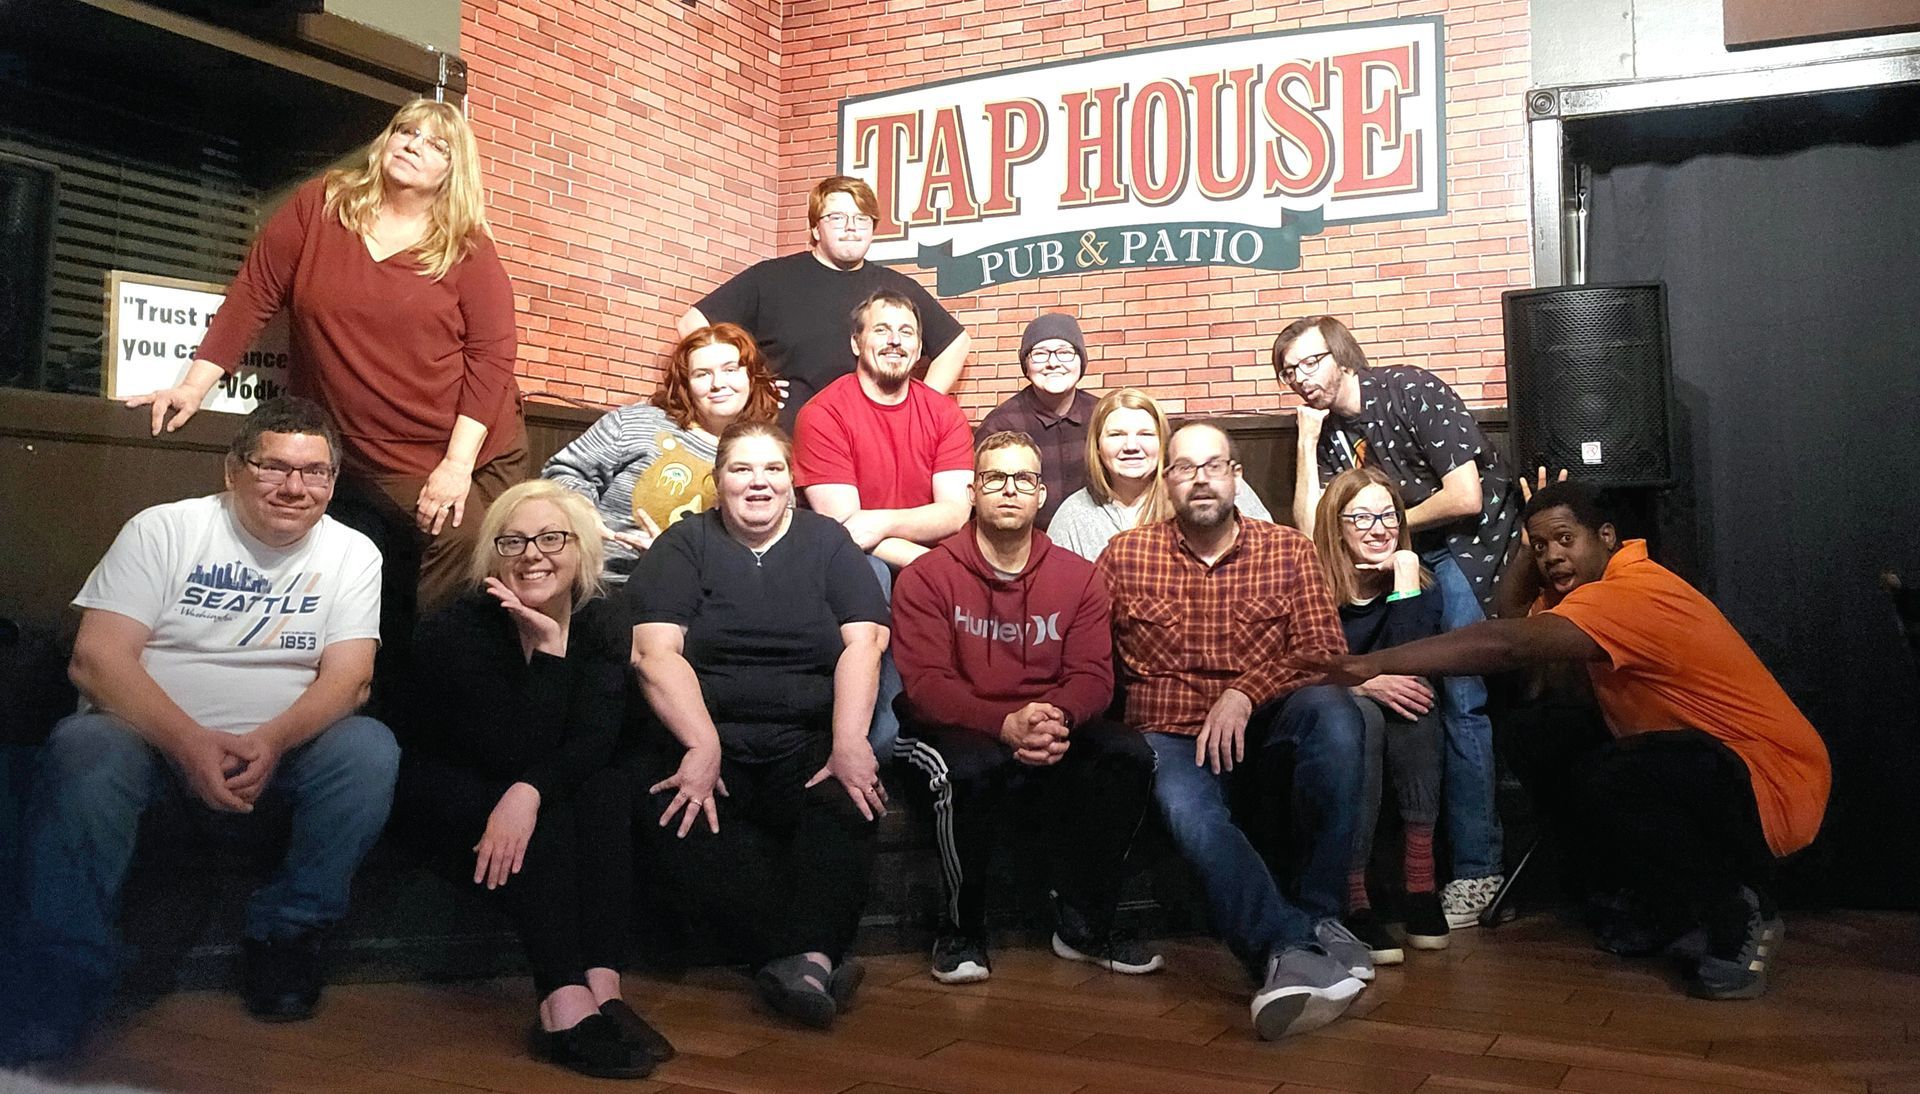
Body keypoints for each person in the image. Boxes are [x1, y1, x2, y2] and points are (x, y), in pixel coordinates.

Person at [1301, 480, 1831, 1000]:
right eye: (1539, 547)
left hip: (1772, 786)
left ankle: (1739, 910)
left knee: (1613, 773)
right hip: (1707, 766)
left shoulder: (1632, 592)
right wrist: (1536, 541)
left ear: (1606, 536)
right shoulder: (1594, 591)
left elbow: (1505, 643)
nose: (1551, 556)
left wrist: (1365, 665)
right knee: (1542, 734)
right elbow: (1511, 612)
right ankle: (1664, 902)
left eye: (1565, 540)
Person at [2, 399, 396, 1064]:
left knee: (369, 750)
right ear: (232, 470)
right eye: (274, 466)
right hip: (148, 754)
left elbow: (351, 679)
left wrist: (270, 740)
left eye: (316, 473)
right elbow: (96, 658)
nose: (295, 487)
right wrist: (188, 744)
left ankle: (286, 939)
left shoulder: (353, 552)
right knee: (85, 745)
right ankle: (62, 971)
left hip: (281, 759)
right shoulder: (164, 531)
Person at [138, 99, 526, 695]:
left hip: (457, 441)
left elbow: (493, 356)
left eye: (436, 143)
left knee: (460, 546)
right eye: (405, 130)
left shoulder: (465, 245)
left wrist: (456, 465)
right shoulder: (324, 205)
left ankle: (419, 706)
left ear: (454, 170)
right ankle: (351, 695)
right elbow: (254, 293)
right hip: (355, 441)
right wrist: (194, 383)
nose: (413, 143)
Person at [1096, 422, 1369, 1041]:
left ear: (1236, 477)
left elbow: (1324, 651)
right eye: (1185, 467)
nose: (1200, 479)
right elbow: (1090, 653)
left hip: (1268, 725)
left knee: (1335, 713)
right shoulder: (1125, 556)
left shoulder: (1288, 550)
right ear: (1167, 482)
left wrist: (1245, 692)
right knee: (1190, 811)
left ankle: (1323, 918)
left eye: (1214, 465)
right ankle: (1286, 949)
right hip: (1167, 733)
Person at [394, 481, 670, 1078]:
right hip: (447, 785)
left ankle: (602, 983)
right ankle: (560, 999)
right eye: (513, 540)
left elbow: (595, 739)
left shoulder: (602, 617)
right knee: (554, 808)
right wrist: (548, 653)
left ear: (582, 549)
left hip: (530, 783)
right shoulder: (459, 629)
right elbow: (510, 752)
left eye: (552, 538)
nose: (532, 554)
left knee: (603, 790)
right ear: (493, 553)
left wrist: (529, 789)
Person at [628, 421, 889, 1029]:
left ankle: (800, 964)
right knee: (676, 820)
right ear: (716, 480)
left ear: (792, 479)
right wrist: (701, 743)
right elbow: (654, 652)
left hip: (806, 742)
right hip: (704, 741)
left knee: (851, 803)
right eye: (741, 469)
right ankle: (811, 962)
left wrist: (850, 742)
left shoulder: (828, 543)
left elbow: (864, 642)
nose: (758, 482)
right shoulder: (683, 545)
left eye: (772, 468)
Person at [891, 431, 1159, 984]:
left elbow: (1092, 676)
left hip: (1043, 719)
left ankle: (1084, 924)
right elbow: (927, 687)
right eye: (994, 479)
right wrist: (1004, 725)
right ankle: (961, 929)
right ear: (973, 491)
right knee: (967, 770)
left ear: (1041, 495)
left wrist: (1054, 717)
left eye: (1023, 480)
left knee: (1128, 754)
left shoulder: (1079, 577)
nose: (1008, 490)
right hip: (951, 726)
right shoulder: (927, 577)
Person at [1277, 315, 1517, 927]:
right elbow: (1313, 530)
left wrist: (1386, 525)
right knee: (1391, 695)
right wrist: (1305, 443)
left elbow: (1466, 496)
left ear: (1342, 355)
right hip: (1388, 554)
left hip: (1462, 551)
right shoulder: (1329, 433)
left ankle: (1477, 869)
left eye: (1310, 362)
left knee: (1460, 697)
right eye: (1288, 372)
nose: (1301, 379)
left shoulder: (1409, 389)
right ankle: (1382, 880)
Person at [796, 288, 974, 758]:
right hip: (855, 569)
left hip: (921, 565)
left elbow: (955, 513)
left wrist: (880, 520)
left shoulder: (944, 414)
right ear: (857, 343)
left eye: (907, 333)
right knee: (872, 575)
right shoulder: (823, 413)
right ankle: (869, 742)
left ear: (919, 350)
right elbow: (845, 533)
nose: (895, 341)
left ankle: (926, 734)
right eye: (882, 330)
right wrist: (922, 561)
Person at [679, 175, 970, 427]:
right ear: (816, 228)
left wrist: (921, 407)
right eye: (837, 218)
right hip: (786, 440)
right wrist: (745, 382)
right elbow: (693, 324)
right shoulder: (771, 278)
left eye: (861, 219)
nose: (851, 227)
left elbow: (957, 343)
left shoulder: (896, 290)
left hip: (866, 441)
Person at [1310, 467, 1451, 965]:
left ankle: (1420, 883)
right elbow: (1303, 666)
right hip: (1329, 709)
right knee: (1361, 715)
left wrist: (1406, 577)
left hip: (1398, 706)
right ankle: (1354, 895)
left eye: (1389, 515)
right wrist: (1363, 683)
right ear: (1337, 525)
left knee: (1419, 701)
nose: (1378, 528)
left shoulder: (1419, 584)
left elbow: (1411, 662)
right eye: (1362, 516)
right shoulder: (1313, 584)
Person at [541, 323, 781, 584]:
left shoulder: (763, 447)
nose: (717, 384)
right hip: (608, 581)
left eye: (730, 370)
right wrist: (583, 513)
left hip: (703, 593)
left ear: (751, 377)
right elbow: (562, 471)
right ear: (685, 384)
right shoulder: (635, 423)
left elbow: (775, 529)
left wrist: (670, 556)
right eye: (702, 374)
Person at [1050, 388, 1273, 563]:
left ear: (1163, 443)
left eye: (1145, 434)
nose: (1131, 446)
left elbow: (1269, 552)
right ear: (1097, 446)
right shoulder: (1073, 515)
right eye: (1116, 435)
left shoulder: (1208, 489)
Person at [975, 314, 1097, 529]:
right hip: (1022, 546)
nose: (1053, 363)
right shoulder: (1001, 424)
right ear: (1026, 365)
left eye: (1064, 352)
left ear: (1081, 361)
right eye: (1040, 354)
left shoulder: (1103, 417)